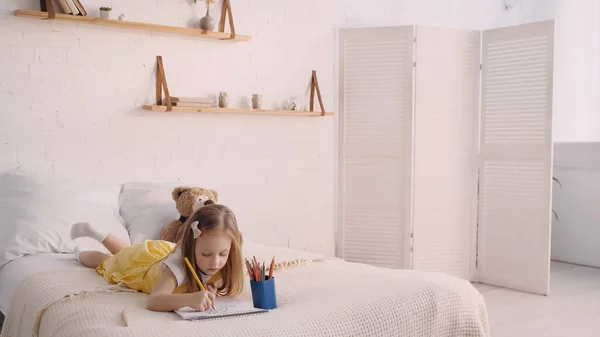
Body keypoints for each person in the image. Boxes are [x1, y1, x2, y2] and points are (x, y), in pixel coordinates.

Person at [70, 204, 244, 312]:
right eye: (206, 254)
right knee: (109, 262)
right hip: (145, 272)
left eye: (223, 254)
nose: (215, 262)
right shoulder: (177, 267)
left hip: (157, 254)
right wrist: (191, 299)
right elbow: (154, 301)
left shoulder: (225, 261)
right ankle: (80, 252)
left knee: (128, 252)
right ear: (191, 247)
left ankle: (101, 235)